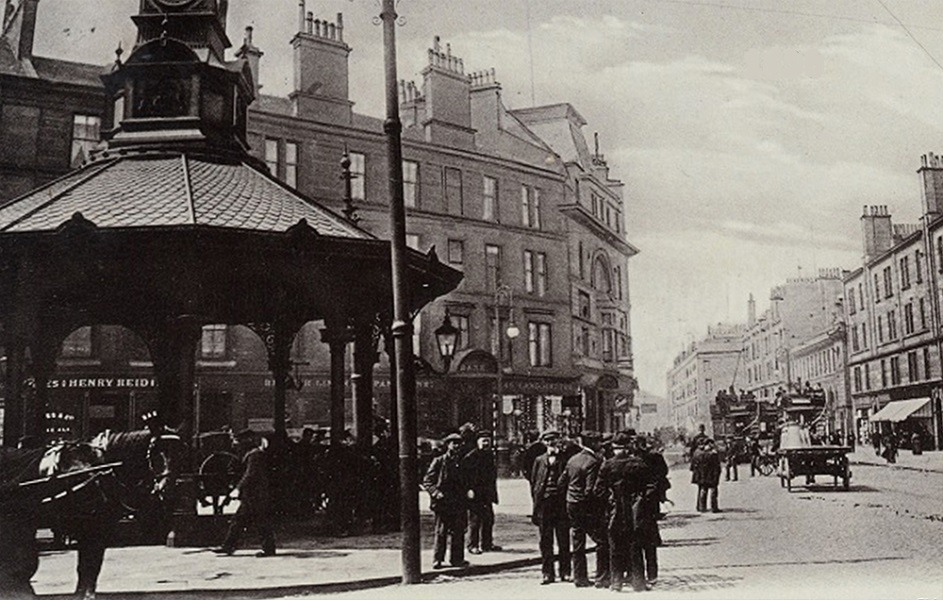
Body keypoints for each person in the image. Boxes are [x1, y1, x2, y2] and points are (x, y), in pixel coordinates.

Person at [593, 431, 650, 592]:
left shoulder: (607, 465)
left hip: (615, 511)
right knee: (635, 546)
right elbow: (650, 486)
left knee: (615, 547)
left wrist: (610, 501)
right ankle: (638, 582)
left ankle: (616, 582)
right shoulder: (638, 463)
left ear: (614, 447)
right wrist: (642, 501)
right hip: (634, 511)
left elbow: (598, 490)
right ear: (628, 447)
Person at [558, 430, 608, 588]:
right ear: (593, 444)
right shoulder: (593, 462)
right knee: (602, 540)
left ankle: (579, 578)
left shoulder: (573, 459)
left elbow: (561, 482)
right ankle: (602, 578)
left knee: (578, 540)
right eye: (599, 442)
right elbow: (590, 489)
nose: (601, 445)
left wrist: (570, 496)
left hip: (571, 503)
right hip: (586, 506)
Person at [216, 429, 276, 557]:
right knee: (241, 520)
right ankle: (228, 546)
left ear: (246, 442)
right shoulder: (254, 454)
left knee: (258, 522)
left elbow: (250, 475)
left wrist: (237, 489)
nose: (236, 444)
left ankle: (267, 549)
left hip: (256, 495)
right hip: (254, 495)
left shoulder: (255, 455)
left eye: (238, 441)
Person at [423, 433, 471, 569]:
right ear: (447, 445)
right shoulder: (439, 461)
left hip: (459, 501)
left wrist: (469, 490)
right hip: (443, 502)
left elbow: (468, 480)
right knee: (441, 531)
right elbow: (427, 481)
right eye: (453, 443)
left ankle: (457, 559)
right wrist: (436, 493)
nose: (456, 446)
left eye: (458, 443)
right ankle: (438, 559)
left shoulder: (463, 462)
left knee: (459, 531)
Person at [529, 430, 571, 585]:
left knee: (563, 539)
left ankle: (565, 572)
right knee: (545, 540)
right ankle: (547, 573)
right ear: (544, 443)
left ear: (558, 441)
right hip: (544, 504)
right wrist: (536, 504)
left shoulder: (565, 459)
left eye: (553, 440)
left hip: (560, 503)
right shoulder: (539, 460)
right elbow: (534, 483)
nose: (551, 444)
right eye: (548, 441)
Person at [463, 431, 501, 554]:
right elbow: (465, 476)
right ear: (477, 441)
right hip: (475, 493)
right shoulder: (471, 456)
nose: (486, 443)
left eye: (488, 441)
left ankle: (487, 544)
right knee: (475, 520)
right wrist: (468, 489)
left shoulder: (489, 455)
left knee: (489, 519)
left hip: (487, 493)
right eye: (483, 441)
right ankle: (472, 545)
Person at [636, 434, 667, 586]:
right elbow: (662, 474)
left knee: (636, 541)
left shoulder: (635, 459)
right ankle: (651, 574)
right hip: (648, 502)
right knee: (649, 539)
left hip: (636, 504)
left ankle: (637, 575)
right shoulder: (653, 456)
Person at [691, 438, 721, 513]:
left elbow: (692, 466)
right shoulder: (712, 454)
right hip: (711, 475)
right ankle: (714, 507)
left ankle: (702, 507)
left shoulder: (697, 453)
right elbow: (716, 466)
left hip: (702, 475)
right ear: (709, 444)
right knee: (713, 490)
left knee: (703, 490)